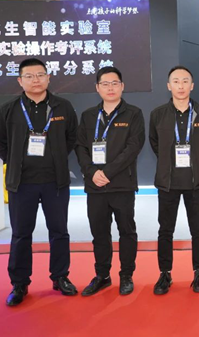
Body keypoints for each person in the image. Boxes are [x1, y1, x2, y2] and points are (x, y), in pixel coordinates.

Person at [0, 58, 79, 307]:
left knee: (59, 232)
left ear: (48, 77)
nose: (36, 80)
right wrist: (13, 161)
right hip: (22, 183)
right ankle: (19, 283)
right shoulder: (9, 109)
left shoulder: (63, 107)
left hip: (55, 182)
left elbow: (72, 137)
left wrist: (57, 158)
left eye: (40, 75)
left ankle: (60, 277)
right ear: (20, 81)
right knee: (21, 234)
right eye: (29, 76)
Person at [75, 66, 145, 297]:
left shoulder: (133, 114)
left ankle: (126, 275)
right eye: (105, 84)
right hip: (95, 185)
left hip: (122, 184)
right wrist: (92, 172)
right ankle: (102, 275)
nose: (110, 88)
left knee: (127, 231)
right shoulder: (88, 116)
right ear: (97, 88)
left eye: (115, 83)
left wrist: (108, 172)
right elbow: (81, 147)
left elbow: (133, 147)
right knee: (99, 233)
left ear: (122, 86)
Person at [150, 65, 199, 294]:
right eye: (176, 81)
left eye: (185, 81)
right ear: (169, 86)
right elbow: (155, 144)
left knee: (198, 229)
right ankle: (165, 274)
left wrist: (195, 162)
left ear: (192, 85)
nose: (181, 86)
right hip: (167, 182)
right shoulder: (158, 114)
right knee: (165, 230)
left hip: (195, 182)